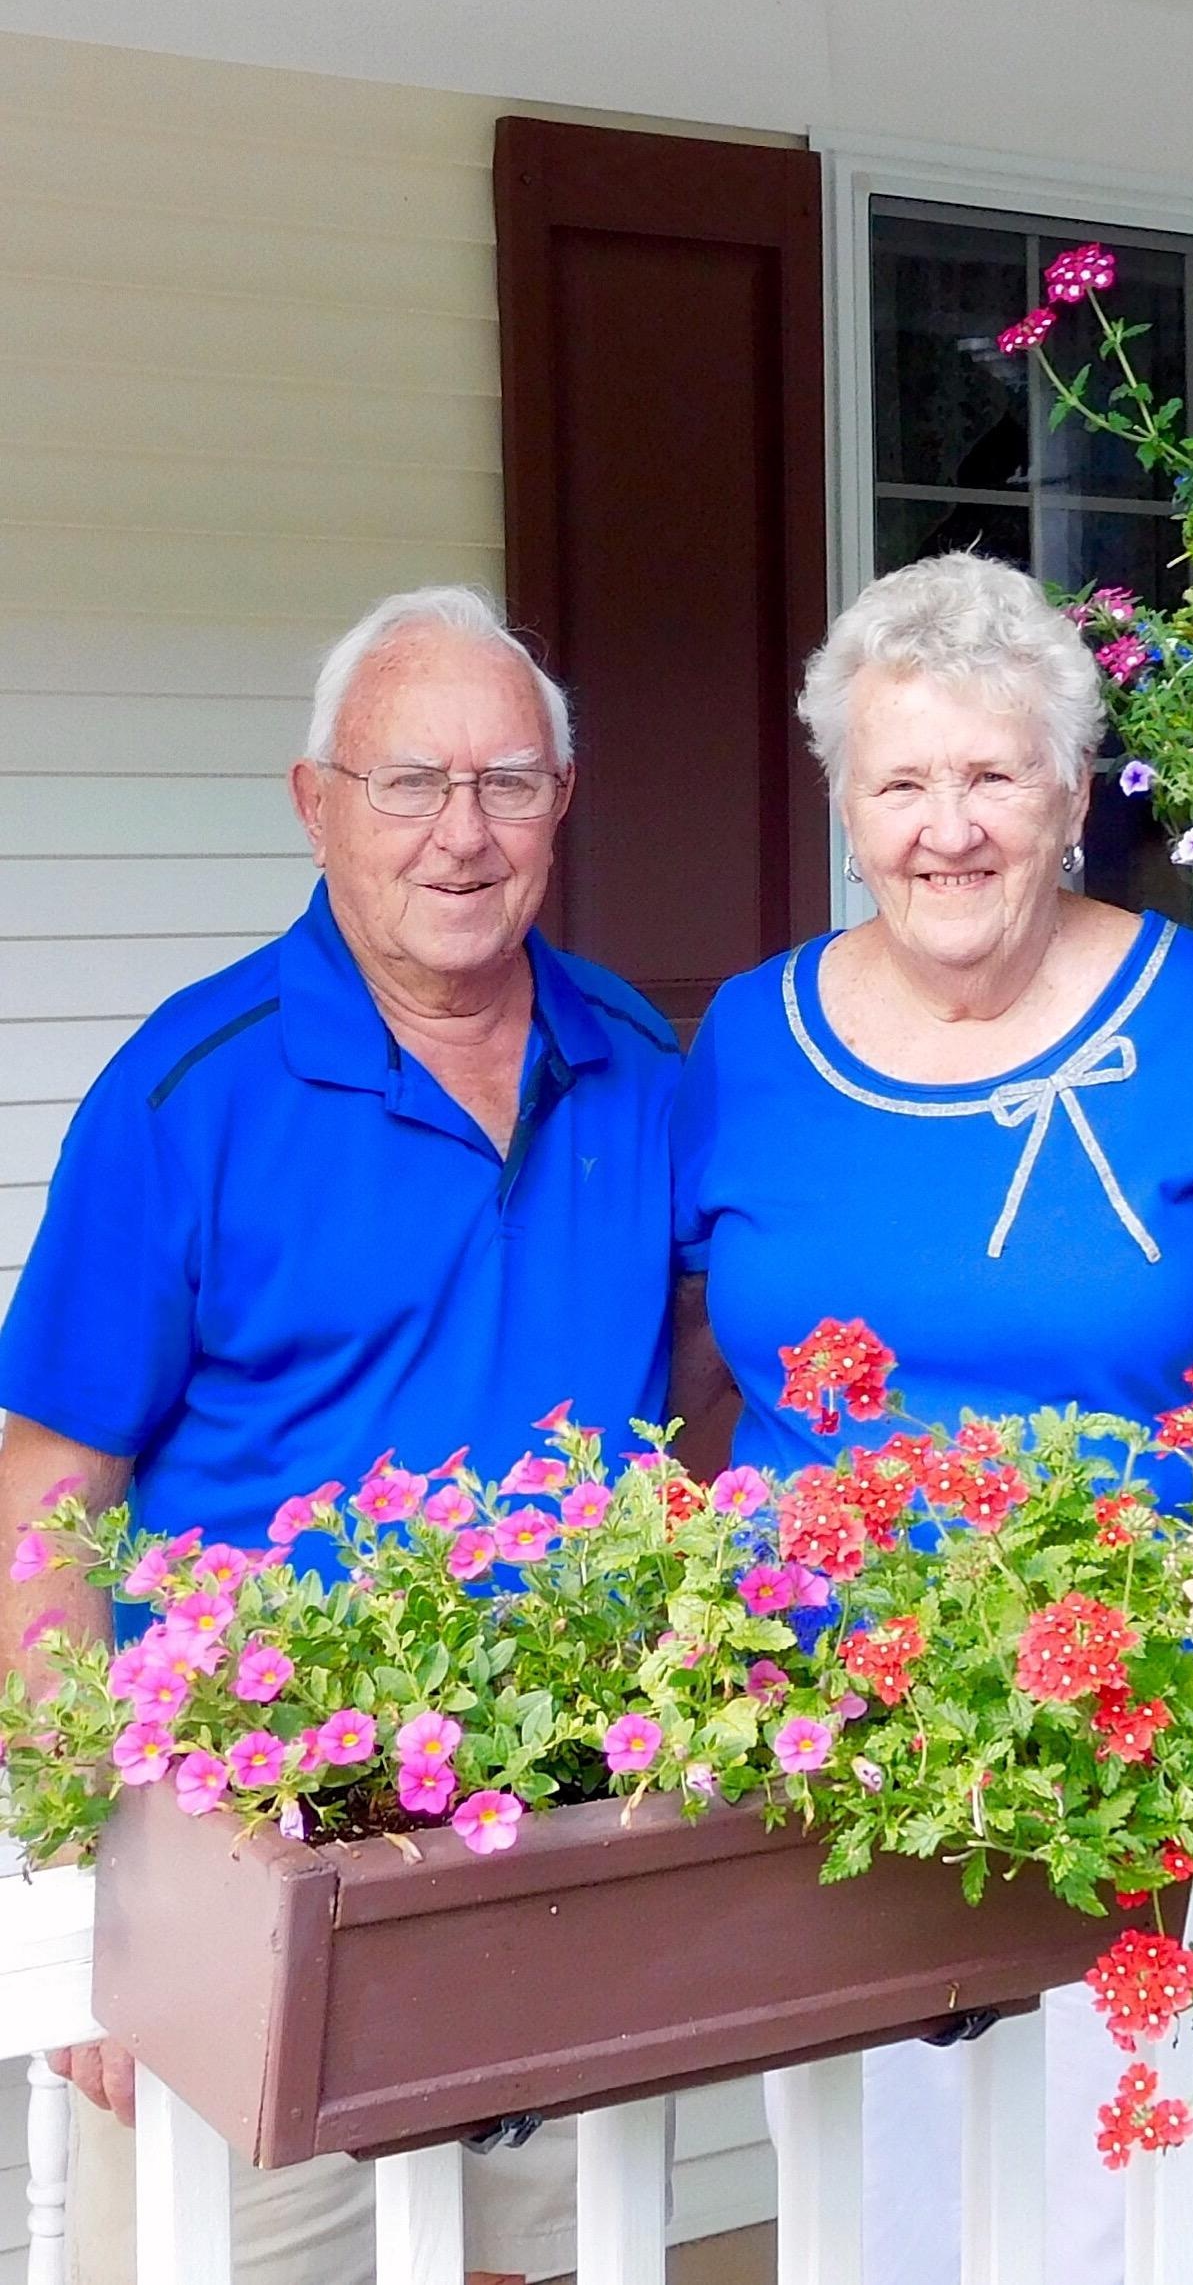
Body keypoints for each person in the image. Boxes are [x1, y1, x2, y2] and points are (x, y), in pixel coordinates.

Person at [669, 551, 1193, 2283]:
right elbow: (698, 1362)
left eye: (993, 774)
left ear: (1071, 794)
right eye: (900, 781)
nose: (949, 825)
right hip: (823, 1722)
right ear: (846, 806)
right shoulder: (749, 1038)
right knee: (867, 2215)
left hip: (1136, 1709)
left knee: (1105, 2217)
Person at [0, 586, 682, 2285]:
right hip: (243, 1881)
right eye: (407, 784)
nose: (461, 835)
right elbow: (44, 1496)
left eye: (508, 784)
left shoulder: (644, 1063)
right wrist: (95, 1891)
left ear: (563, 804)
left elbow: (702, 1379)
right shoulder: (190, 1096)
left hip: (556, 1847)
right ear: (318, 805)